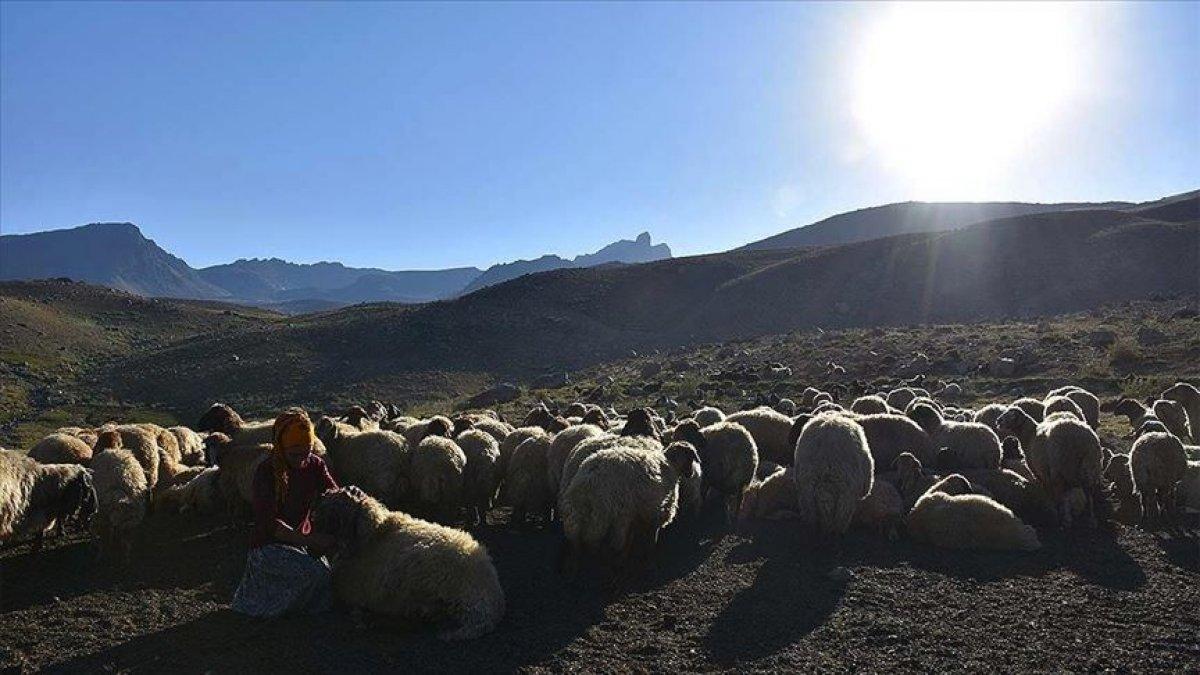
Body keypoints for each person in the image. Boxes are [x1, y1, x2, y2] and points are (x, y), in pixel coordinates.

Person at [231, 408, 339, 618]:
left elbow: (333, 493)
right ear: (281, 448)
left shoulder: (314, 464)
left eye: (307, 452)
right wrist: (312, 540)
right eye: (294, 454)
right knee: (316, 577)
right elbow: (271, 525)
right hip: (269, 547)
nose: (301, 459)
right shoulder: (266, 473)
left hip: (300, 543)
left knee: (332, 575)